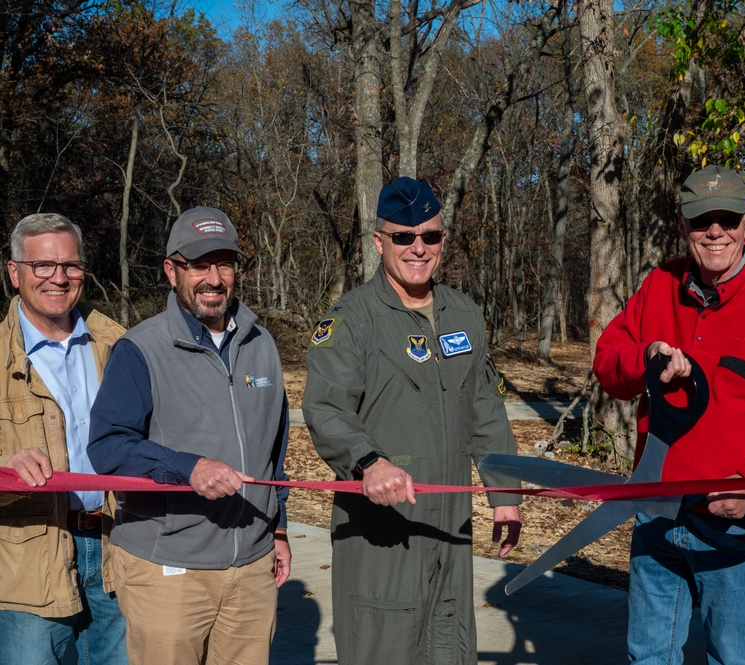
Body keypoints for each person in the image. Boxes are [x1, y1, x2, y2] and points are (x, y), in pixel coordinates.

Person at [593, 164, 745, 665]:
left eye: (727, 220)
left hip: (736, 529)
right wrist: (644, 358)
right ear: (683, 226)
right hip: (657, 512)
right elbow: (606, 365)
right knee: (648, 656)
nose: (715, 233)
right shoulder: (661, 284)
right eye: (702, 221)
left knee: (734, 659)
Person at [302, 176, 522, 665]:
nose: (418, 248)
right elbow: (325, 407)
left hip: (451, 526)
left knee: (448, 643)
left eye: (431, 236)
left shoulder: (464, 313)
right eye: (403, 236)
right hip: (384, 524)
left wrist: (505, 495)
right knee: (384, 647)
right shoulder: (352, 319)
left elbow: (485, 407)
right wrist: (368, 462)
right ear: (379, 241)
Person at [87, 207, 292, 664]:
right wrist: (187, 467)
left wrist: (279, 528)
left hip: (252, 568)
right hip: (168, 570)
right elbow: (107, 447)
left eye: (224, 263)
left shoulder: (261, 344)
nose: (214, 278)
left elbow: (274, 448)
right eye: (199, 264)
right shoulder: (140, 349)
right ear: (171, 270)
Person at [0, 213, 127, 665]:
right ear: (14, 273)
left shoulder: (122, 346)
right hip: (28, 566)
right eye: (43, 266)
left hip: (119, 552)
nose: (59, 277)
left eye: (71, 265)